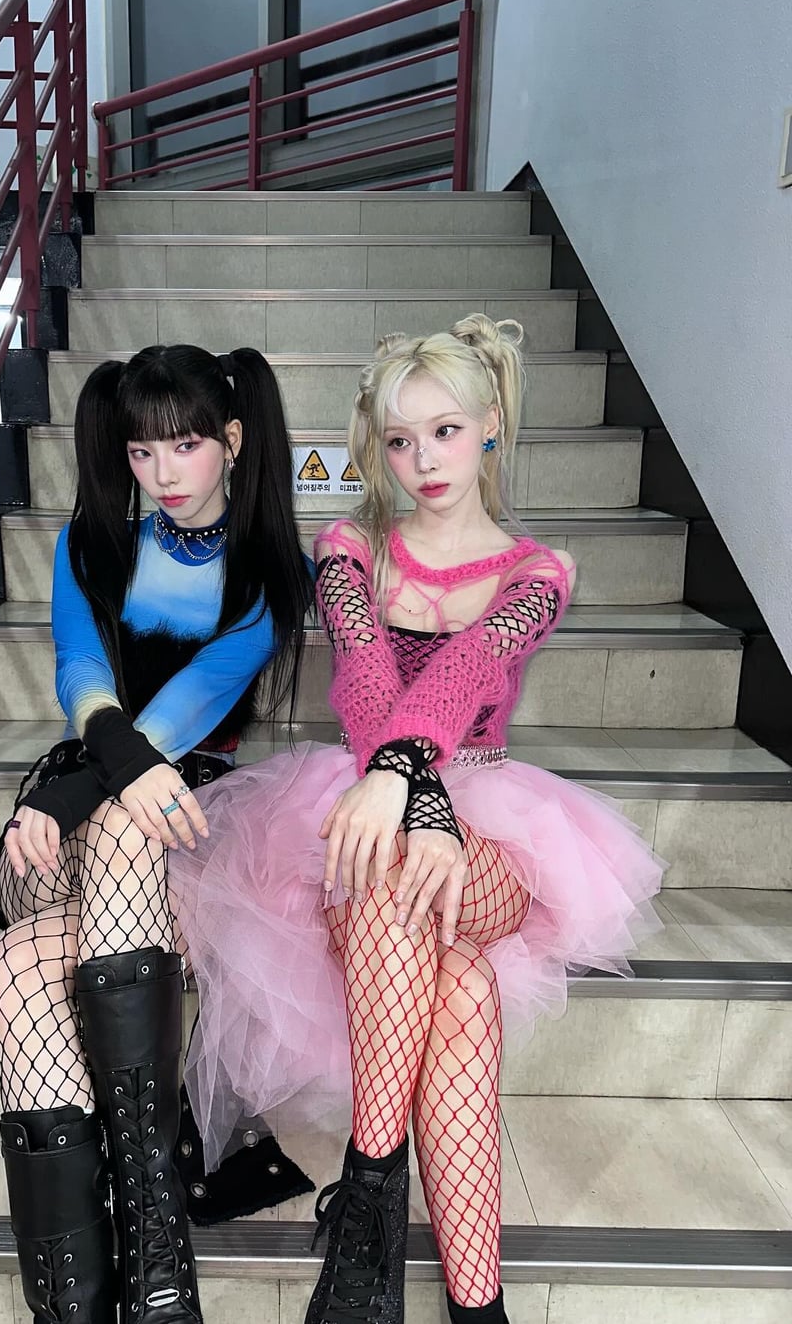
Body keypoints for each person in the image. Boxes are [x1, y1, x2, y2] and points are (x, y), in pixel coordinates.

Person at [168, 317, 664, 1324]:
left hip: (492, 828)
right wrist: (405, 787)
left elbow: (472, 670)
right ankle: (476, 1305)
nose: (424, 461)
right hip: (365, 798)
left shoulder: (538, 572)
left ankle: (365, 1206)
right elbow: (361, 676)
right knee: (462, 992)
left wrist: (416, 786)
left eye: (444, 432)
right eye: (399, 441)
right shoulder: (350, 549)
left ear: (491, 425)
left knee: (397, 874)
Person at [0, 344, 314, 1324]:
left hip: (190, 803)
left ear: (233, 440)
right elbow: (81, 673)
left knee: (17, 966)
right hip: (84, 783)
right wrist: (67, 796)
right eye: (141, 451)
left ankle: (116, 1281)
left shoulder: (274, 570)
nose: (162, 472)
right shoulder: (93, 544)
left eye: (185, 445)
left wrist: (73, 796)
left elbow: (188, 707)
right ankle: (155, 1270)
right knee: (107, 834)